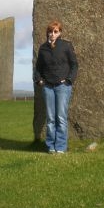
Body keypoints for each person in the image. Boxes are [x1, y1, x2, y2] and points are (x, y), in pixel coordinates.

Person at [34, 20, 78, 154]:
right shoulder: (43, 49)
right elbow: (38, 68)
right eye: (50, 31)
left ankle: (60, 147)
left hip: (62, 87)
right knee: (51, 118)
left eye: (55, 31)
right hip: (48, 87)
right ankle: (50, 146)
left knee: (61, 117)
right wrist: (40, 80)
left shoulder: (66, 46)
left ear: (60, 33)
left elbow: (74, 64)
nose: (52, 34)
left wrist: (69, 80)